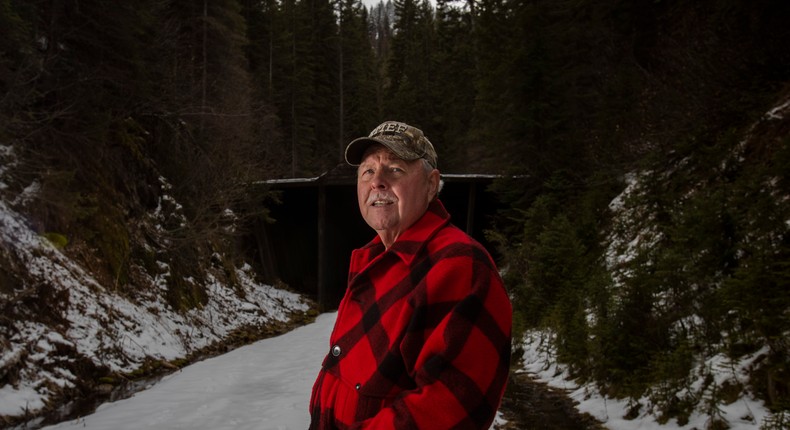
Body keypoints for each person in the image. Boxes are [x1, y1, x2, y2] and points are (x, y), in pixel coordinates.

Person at [309, 121, 512, 429]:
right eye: (367, 171)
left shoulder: (458, 265)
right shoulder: (375, 259)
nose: (377, 182)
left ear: (431, 184)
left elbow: (448, 406)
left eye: (395, 170)